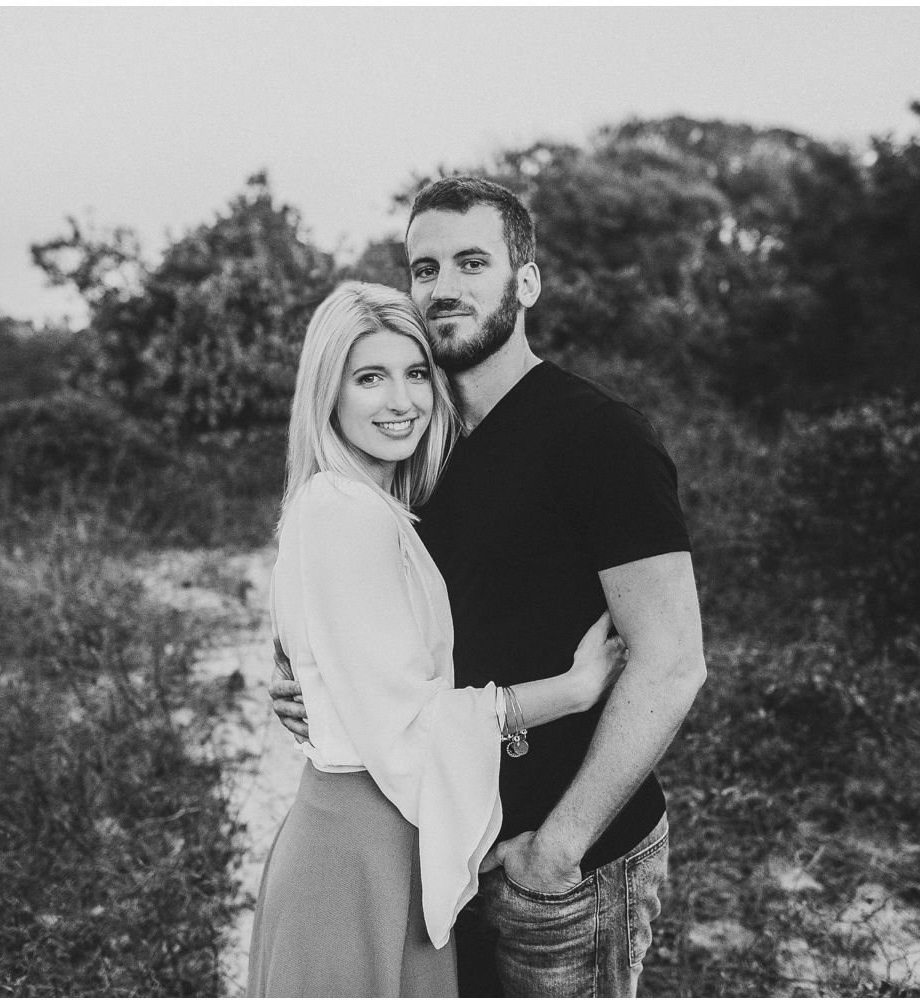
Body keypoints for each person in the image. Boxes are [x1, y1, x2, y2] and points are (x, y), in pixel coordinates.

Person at [271, 178, 708, 996]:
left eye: (473, 261)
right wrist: (312, 688)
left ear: (526, 282)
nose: (445, 285)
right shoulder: (413, 450)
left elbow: (674, 661)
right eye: (425, 266)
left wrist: (560, 848)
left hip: (564, 865)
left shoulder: (595, 435)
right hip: (441, 850)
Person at [247, 281, 630, 997]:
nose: (402, 401)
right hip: (358, 852)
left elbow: (353, 679)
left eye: (416, 373)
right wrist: (570, 691)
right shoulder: (347, 514)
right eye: (370, 378)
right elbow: (412, 724)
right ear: (327, 393)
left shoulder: (355, 502)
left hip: (371, 836)